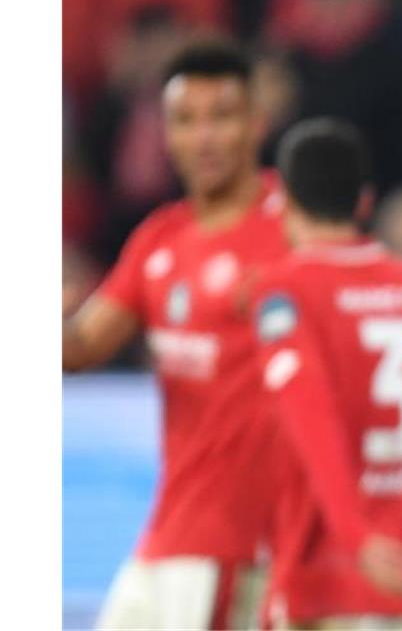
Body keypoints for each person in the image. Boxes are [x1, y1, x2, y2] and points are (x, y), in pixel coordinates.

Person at [63, 40, 289, 629]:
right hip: (170, 533)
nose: (205, 137)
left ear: (256, 124)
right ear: (166, 135)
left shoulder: (293, 231)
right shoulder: (160, 239)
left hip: (240, 544)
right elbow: (81, 347)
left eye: (222, 116)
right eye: (186, 121)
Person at [252, 118, 402, 630]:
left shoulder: (284, 289)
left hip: (329, 577)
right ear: (365, 202)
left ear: (285, 201)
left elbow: (309, 412)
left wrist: (355, 535)